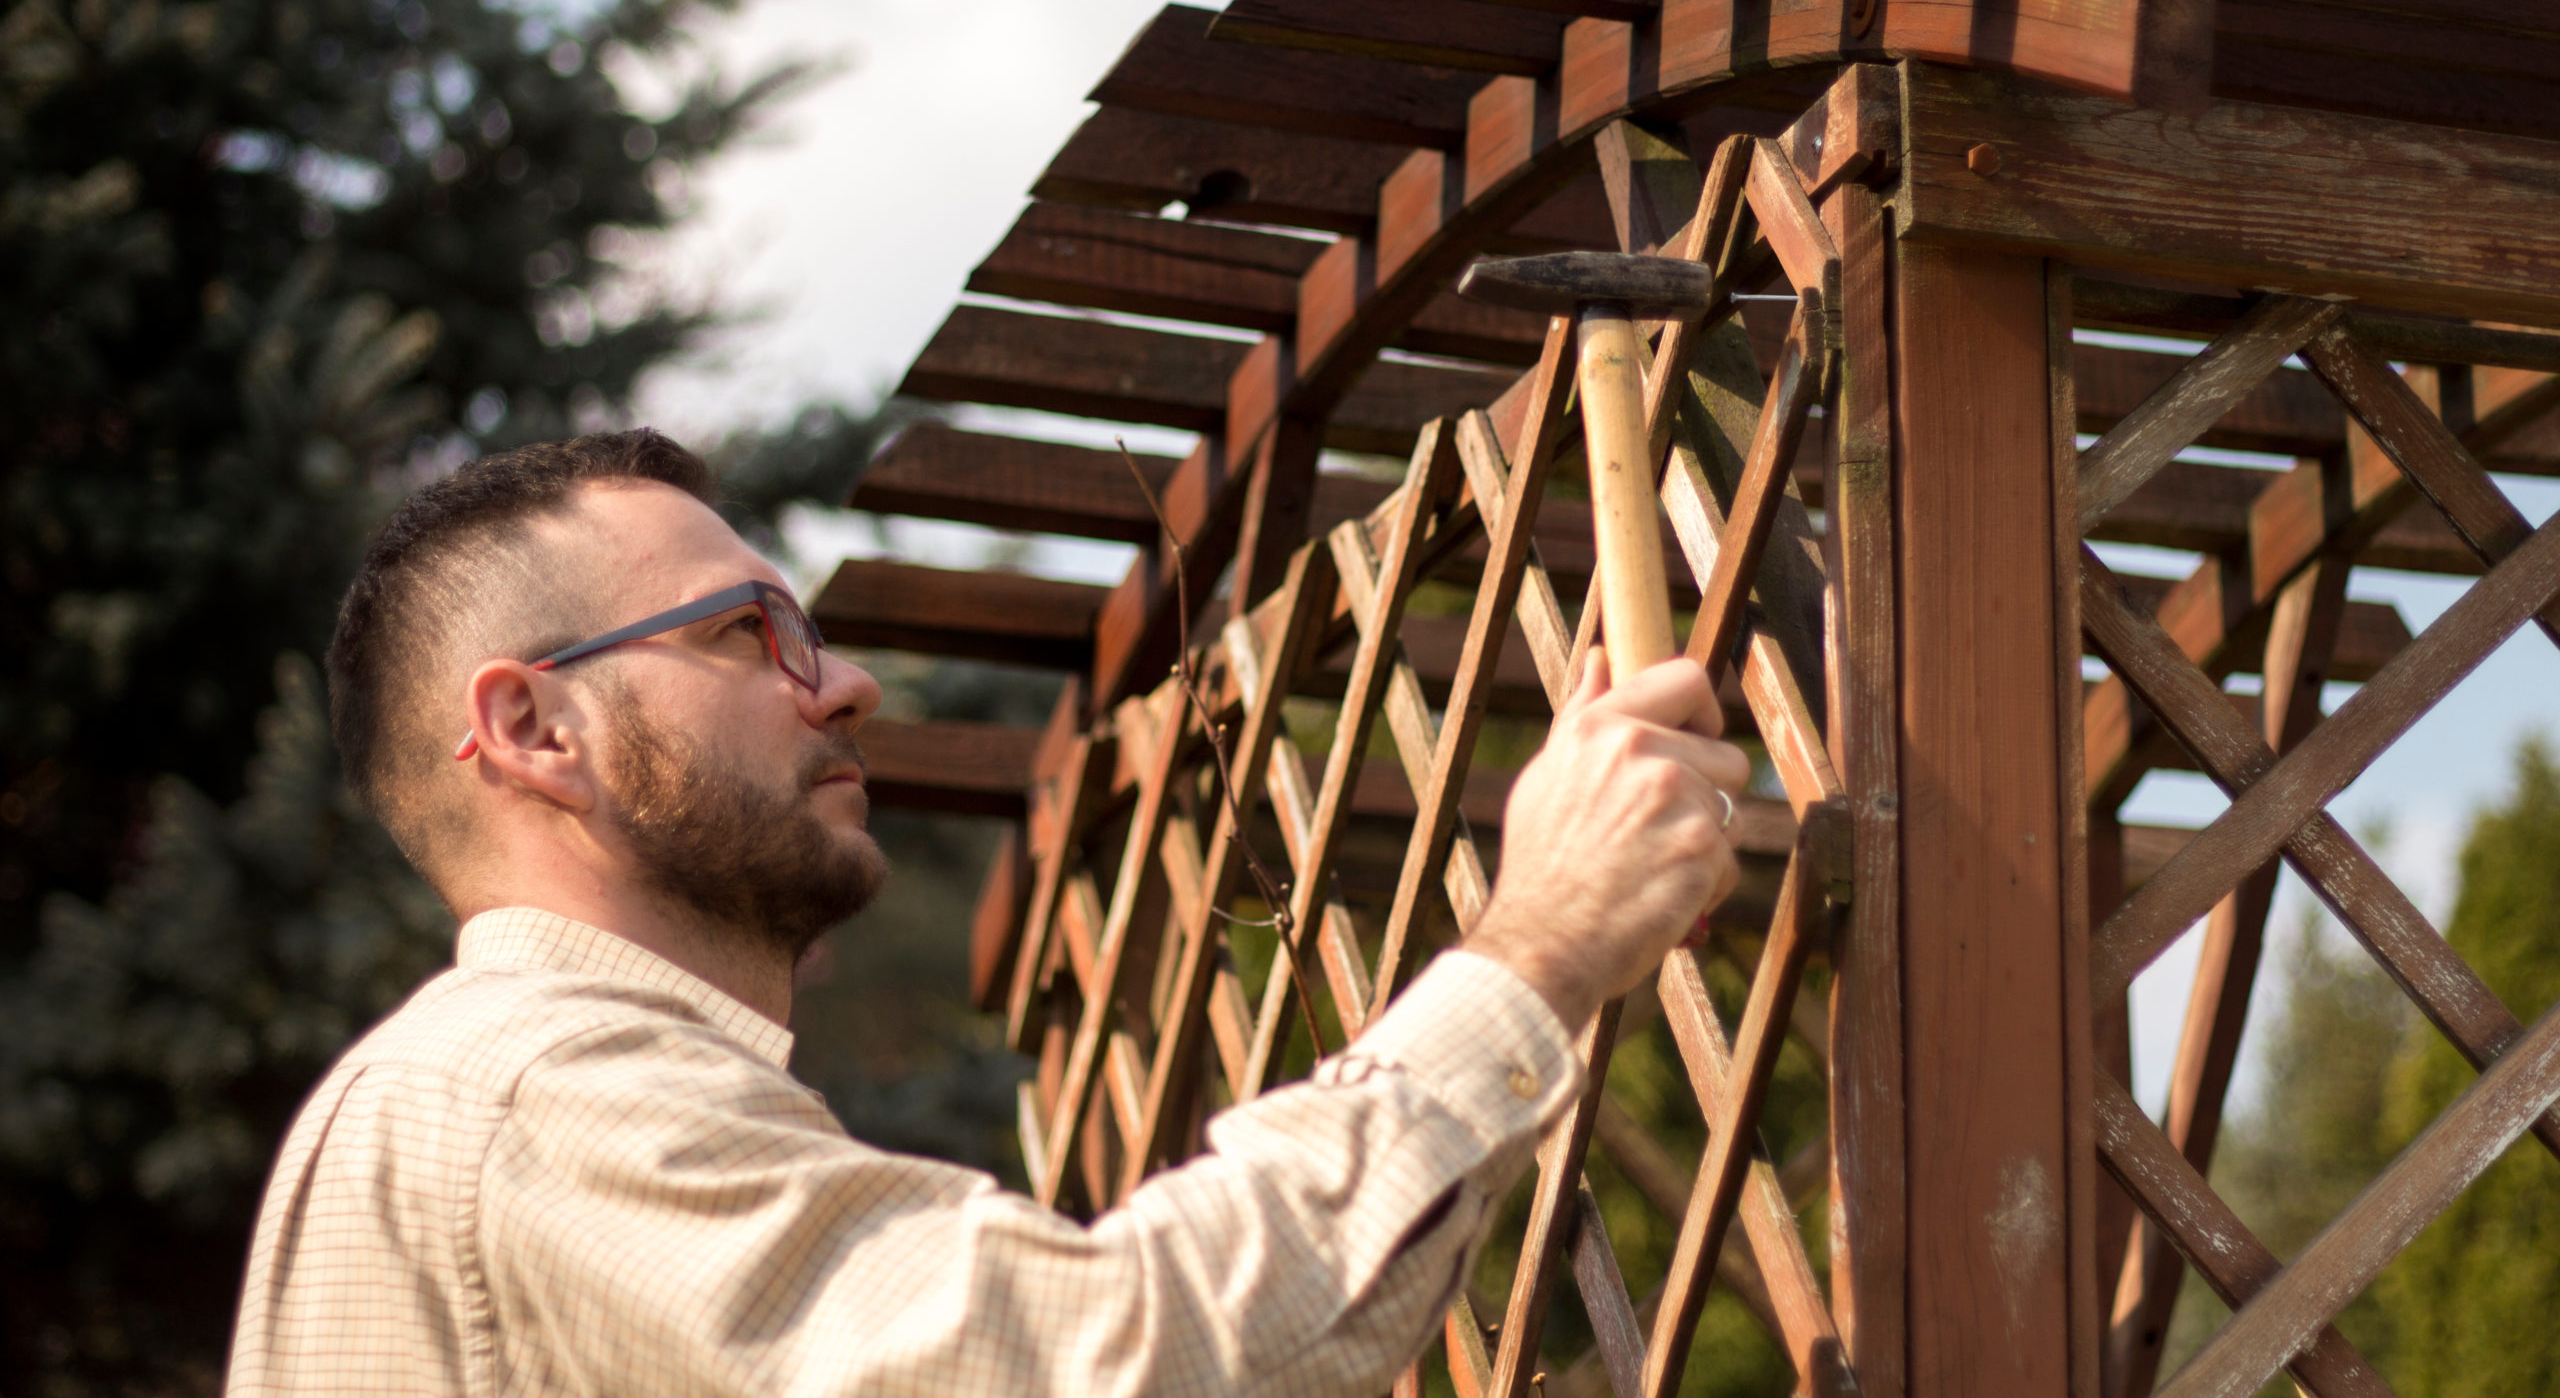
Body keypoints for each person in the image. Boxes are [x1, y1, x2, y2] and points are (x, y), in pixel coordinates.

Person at [226, 429, 1749, 1397]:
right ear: (535, 731)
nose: (841, 683)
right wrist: (1541, 943)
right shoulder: (537, 1094)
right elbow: (1112, 1363)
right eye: (748, 631)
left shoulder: (480, 1101)